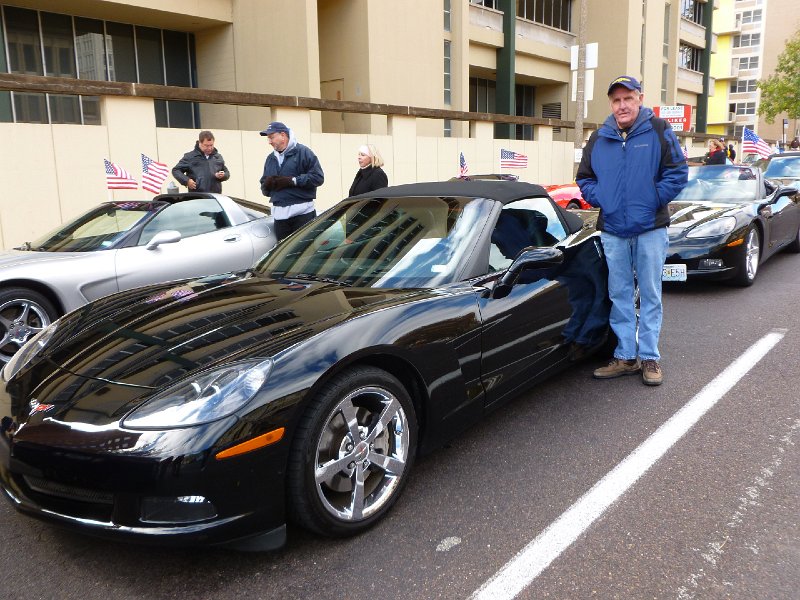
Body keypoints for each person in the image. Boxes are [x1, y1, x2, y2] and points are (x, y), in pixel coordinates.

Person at [576, 75, 688, 386]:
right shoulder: (599, 138)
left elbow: (678, 173)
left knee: (650, 294)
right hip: (613, 229)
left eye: (628, 98)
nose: (622, 105)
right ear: (611, 104)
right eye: (616, 100)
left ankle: (650, 357)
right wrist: (605, 201)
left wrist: (652, 200)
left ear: (639, 98)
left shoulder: (658, 130)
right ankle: (626, 355)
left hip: (650, 227)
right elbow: (584, 178)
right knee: (619, 294)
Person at [259, 121, 325, 241]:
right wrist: (266, 186)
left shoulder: (304, 152)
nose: (269, 141)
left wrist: (293, 181)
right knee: (285, 258)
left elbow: (318, 177)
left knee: (303, 255)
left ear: (283, 135)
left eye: (271, 137)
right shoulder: (270, 159)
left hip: (303, 215)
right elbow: (264, 187)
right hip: (279, 219)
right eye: (268, 138)